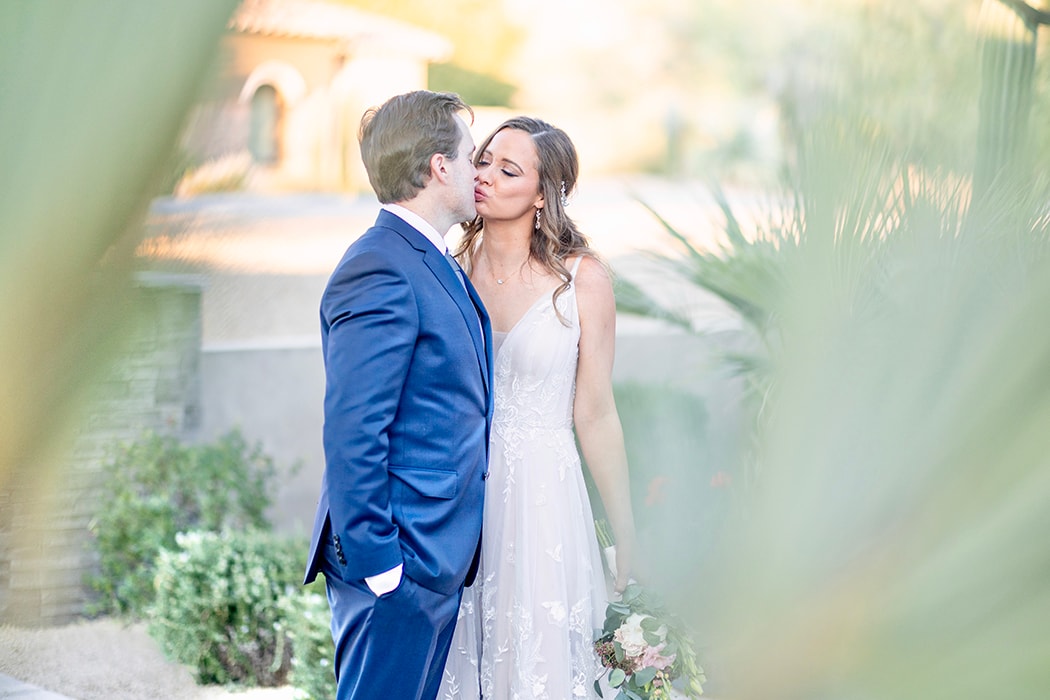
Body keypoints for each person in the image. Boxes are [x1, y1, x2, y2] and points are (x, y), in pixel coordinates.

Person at [303, 90, 493, 700]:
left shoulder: (432, 258)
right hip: (399, 563)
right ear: (439, 168)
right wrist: (382, 568)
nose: (477, 172)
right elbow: (353, 429)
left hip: (434, 558)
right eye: (469, 158)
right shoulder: (380, 266)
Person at [439, 117, 637, 699]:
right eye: (482, 160)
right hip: (465, 493)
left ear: (544, 195)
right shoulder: (450, 268)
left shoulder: (582, 279)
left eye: (509, 169)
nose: (484, 176)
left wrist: (626, 530)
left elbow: (596, 412)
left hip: (543, 499)